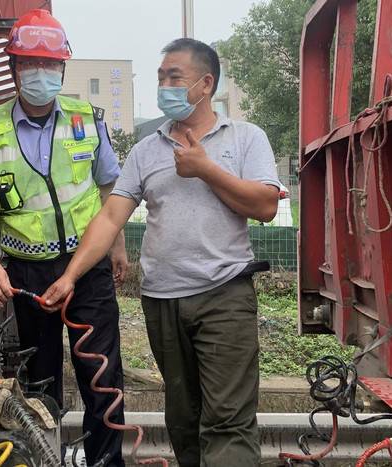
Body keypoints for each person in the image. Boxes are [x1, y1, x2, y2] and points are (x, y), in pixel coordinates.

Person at [42, 38, 280, 467]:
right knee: (183, 419)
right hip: (162, 300)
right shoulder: (147, 150)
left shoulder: (245, 138)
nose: (165, 85)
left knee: (226, 419)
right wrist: (71, 275)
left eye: (175, 77)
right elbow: (110, 218)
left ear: (205, 84)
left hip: (223, 295)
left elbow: (264, 205)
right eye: (160, 77)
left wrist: (206, 169)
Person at [0, 9, 128, 466]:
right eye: (30, 64)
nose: (41, 73)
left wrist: (118, 246)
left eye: (50, 65)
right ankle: (41, 460)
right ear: (13, 69)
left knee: (102, 378)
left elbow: (111, 188)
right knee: (38, 381)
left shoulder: (85, 119)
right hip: (26, 275)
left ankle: (106, 463)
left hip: (86, 269)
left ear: (63, 69)